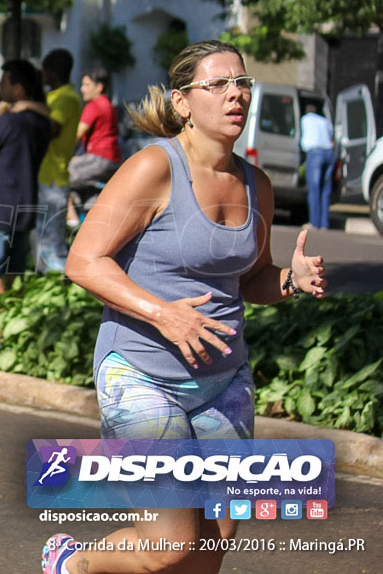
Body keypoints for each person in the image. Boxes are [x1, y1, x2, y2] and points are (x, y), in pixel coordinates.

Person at [47, 40, 326, 574]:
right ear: (181, 101)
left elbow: (251, 279)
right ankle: (74, 561)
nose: (234, 95)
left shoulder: (256, 184)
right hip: (142, 374)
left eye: (241, 83)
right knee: (169, 546)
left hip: (224, 381)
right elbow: (83, 261)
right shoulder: (153, 168)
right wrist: (163, 314)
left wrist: (291, 280)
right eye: (217, 84)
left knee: (213, 540)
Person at [0, 59, 51, 303]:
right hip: (26, 208)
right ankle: (10, 326)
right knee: (13, 274)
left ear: (18, 88)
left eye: (4, 82)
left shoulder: (10, 120)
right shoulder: (42, 124)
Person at [34, 49, 82, 273]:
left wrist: (29, 106)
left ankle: (59, 283)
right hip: (46, 175)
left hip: (54, 176)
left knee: (53, 241)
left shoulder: (66, 97)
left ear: (52, 71)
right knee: (43, 239)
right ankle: (46, 281)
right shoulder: (54, 97)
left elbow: (52, 128)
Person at [67, 68, 121, 219]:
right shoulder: (107, 104)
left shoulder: (94, 105)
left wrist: (63, 156)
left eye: (86, 85)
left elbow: (78, 134)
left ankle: (72, 222)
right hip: (110, 160)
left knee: (60, 178)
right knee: (90, 194)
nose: (82, 89)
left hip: (99, 159)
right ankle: (90, 220)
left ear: (99, 87)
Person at [299, 103, 334, 229]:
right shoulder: (324, 120)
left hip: (315, 153)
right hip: (329, 153)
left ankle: (314, 222)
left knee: (314, 189)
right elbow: (331, 134)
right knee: (325, 190)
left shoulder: (305, 119)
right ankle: (325, 224)